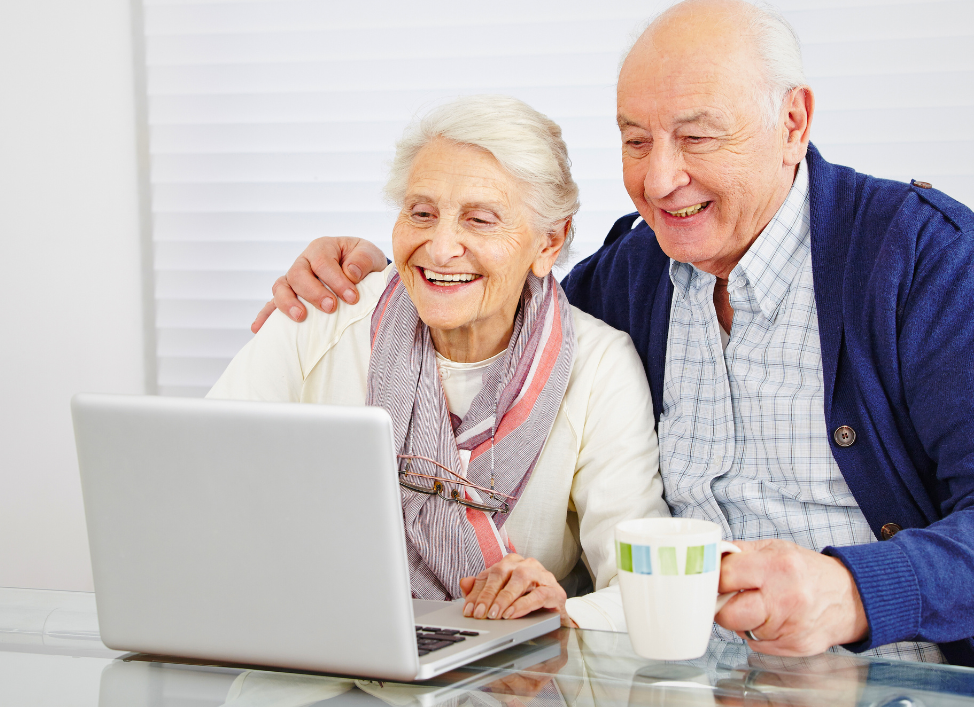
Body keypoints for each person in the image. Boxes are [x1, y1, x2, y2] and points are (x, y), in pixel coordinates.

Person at [250, 0, 974, 680]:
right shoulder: (632, 275)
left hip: (918, 676)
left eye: (696, 136)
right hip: (683, 685)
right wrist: (375, 278)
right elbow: (507, 311)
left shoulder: (928, 261)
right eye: (634, 139)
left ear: (793, 122)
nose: (659, 179)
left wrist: (853, 589)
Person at [210, 94, 668, 631]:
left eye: (480, 219)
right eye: (421, 213)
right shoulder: (320, 316)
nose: (440, 245)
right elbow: (203, 487)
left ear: (550, 241)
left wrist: (561, 613)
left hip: (511, 673)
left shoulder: (600, 366)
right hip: (307, 636)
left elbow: (645, 589)